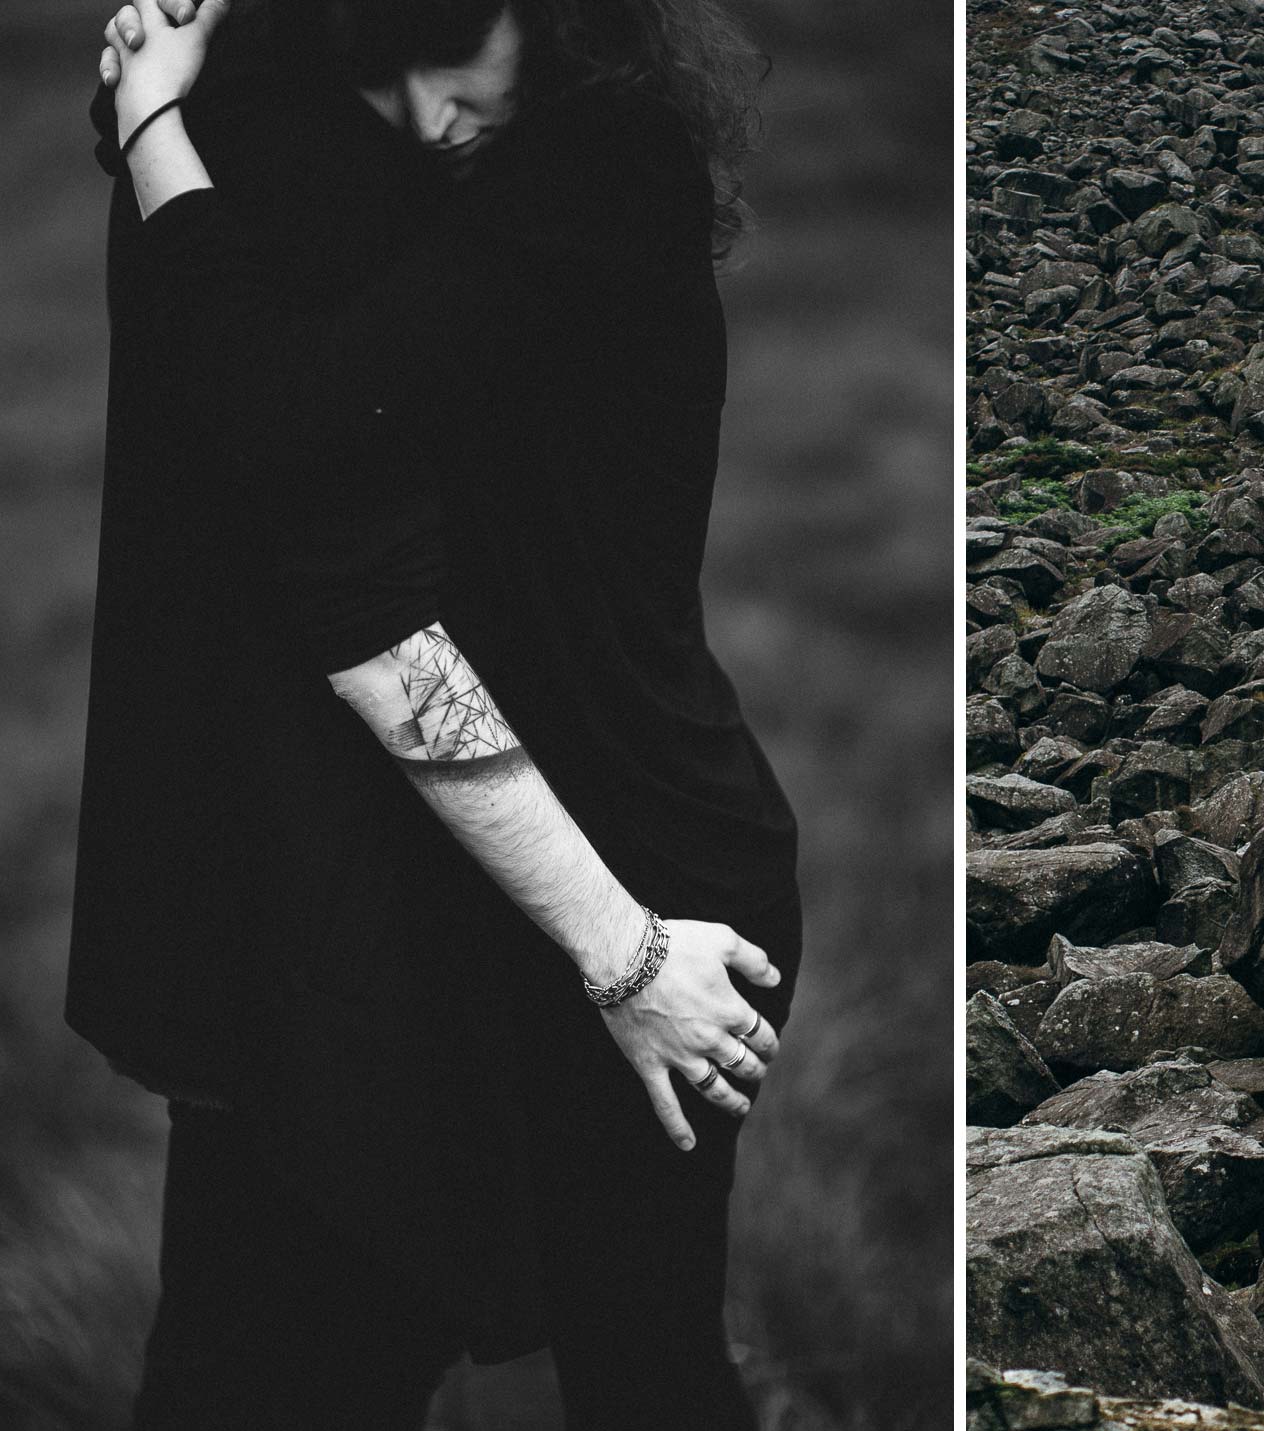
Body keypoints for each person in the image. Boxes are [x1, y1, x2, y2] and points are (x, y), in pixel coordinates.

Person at [72, 0, 804, 1424]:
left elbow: (306, 452)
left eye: (462, 59)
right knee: (270, 1364)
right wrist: (159, 104)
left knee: (649, 1369)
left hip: (650, 874)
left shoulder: (598, 168)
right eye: (382, 70)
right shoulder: (302, 133)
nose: (429, 116)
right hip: (389, 908)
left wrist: (629, 957)